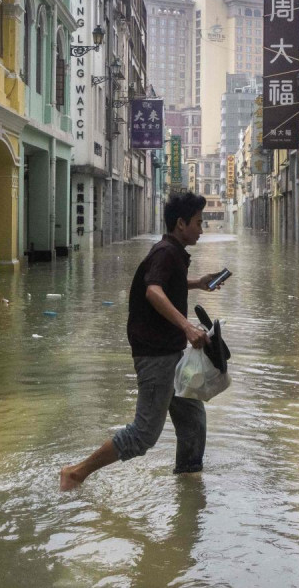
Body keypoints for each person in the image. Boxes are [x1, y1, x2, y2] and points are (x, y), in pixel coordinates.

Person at [60, 192, 227, 491]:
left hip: (172, 353)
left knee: (192, 420)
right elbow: (153, 291)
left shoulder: (173, 252)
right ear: (180, 223)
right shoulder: (165, 252)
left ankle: (188, 486)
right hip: (156, 355)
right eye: (199, 223)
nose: (202, 230)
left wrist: (198, 283)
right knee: (144, 434)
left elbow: (164, 282)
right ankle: (76, 473)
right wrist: (188, 328)